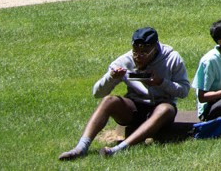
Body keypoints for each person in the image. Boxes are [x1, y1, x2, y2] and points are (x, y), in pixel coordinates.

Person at [60, 27, 190, 160]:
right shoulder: (125, 60)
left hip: (160, 108)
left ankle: (119, 149)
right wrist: (112, 77)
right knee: (109, 100)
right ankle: (81, 148)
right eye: (136, 52)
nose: (138, 57)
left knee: (165, 109)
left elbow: (184, 91)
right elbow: (97, 93)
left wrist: (161, 82)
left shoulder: (172, 58)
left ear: (155, 47)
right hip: (134, 107)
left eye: (144, 52)